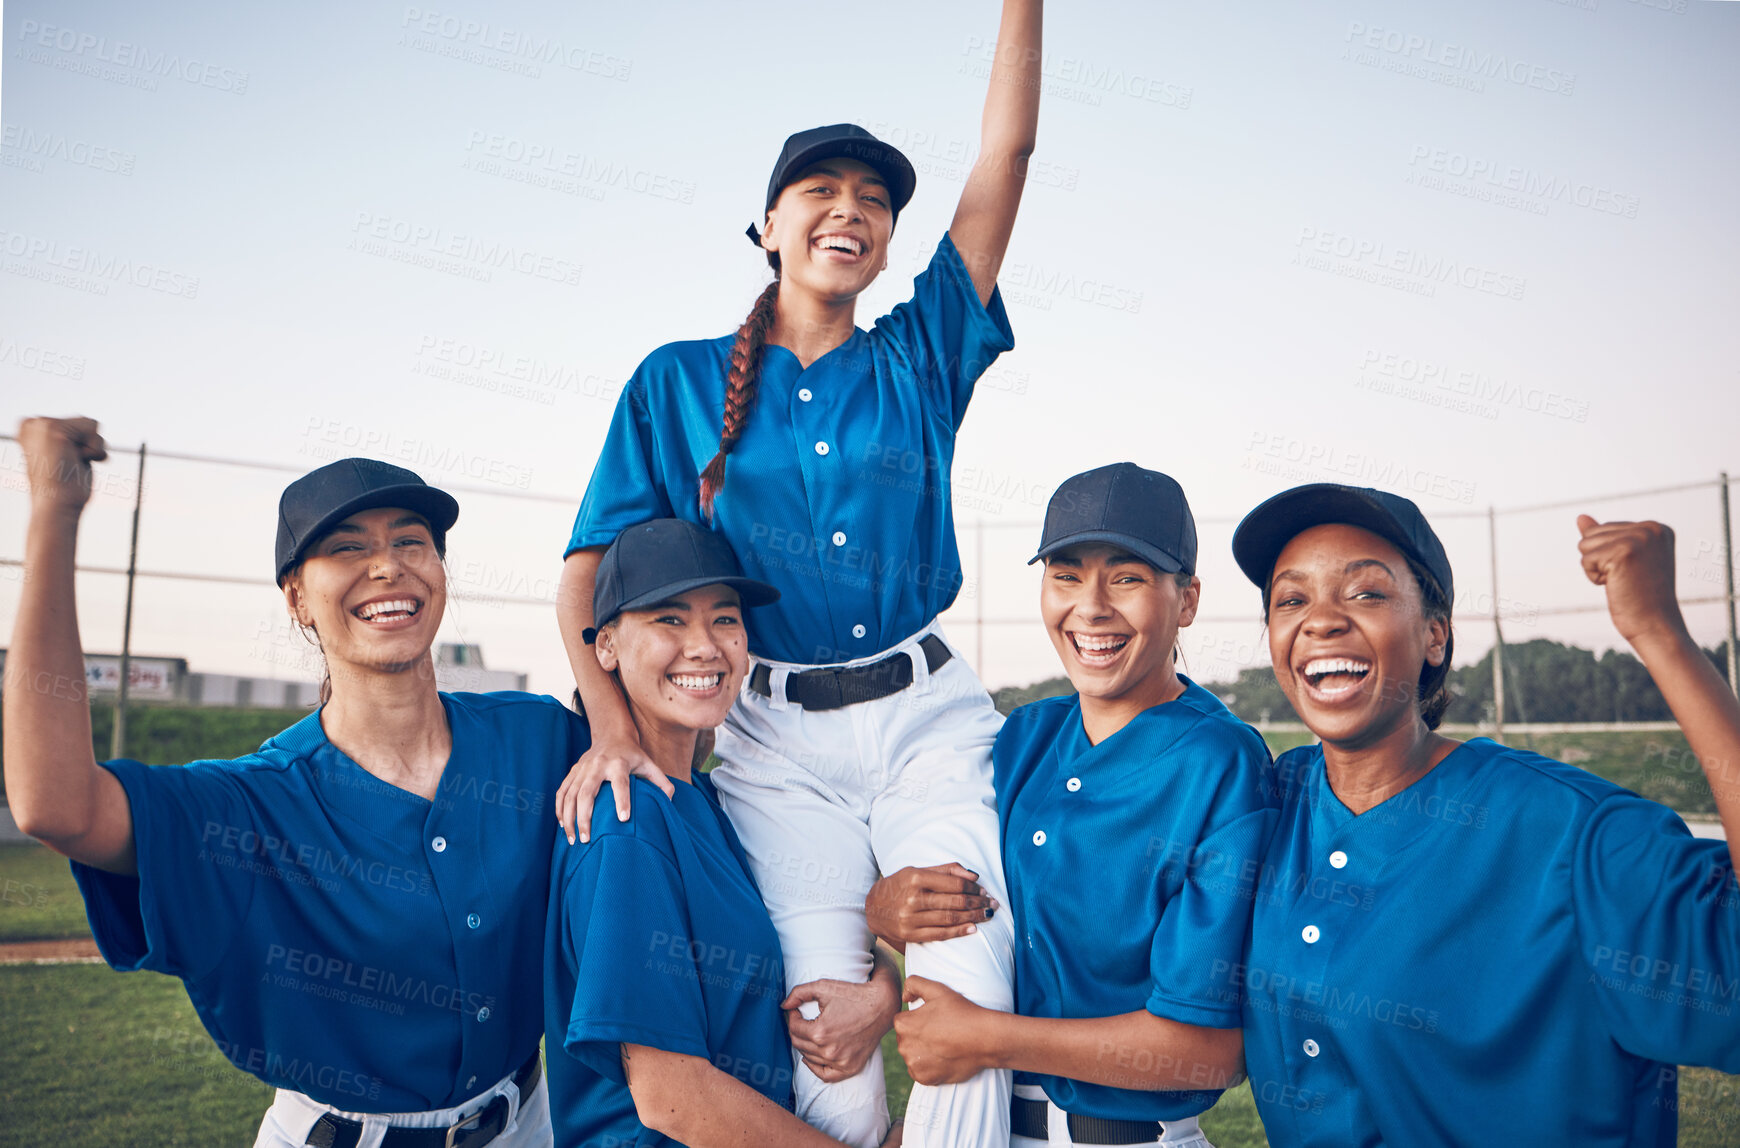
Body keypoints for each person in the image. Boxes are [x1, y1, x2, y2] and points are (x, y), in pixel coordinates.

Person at [553, 4, 1042, 1144]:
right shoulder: (674, 382)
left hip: (923, 714)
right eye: (821, 191)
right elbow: (585, 577)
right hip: (773, 743)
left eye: (874, 201)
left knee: (962, 988)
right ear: (767, 226)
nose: (852, 210)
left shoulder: (921, 353)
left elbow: (1006, 155)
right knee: (827, 1045)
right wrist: (611, 724)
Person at [3, 417, 587, 1148]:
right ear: (298, 600)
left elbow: (668, 749)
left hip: (530, 1126)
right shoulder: (252, 806)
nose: (387, 566)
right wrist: (54, 515)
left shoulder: (537, 738)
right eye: (347, 548)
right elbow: (55, 806)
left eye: (412, 540)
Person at [1226, 482, 1740, 1146]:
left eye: (1367, 593)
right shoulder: (1264, 806)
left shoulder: (1568, 831)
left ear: (1435, 636)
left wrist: (1660, 634)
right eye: (1291, 600)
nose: (1320, 619)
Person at [867, 464, 1278, 1148]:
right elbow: (975, 921)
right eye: (1065, 574)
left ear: (1188, 600)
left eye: (1127, 576)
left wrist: (989, 1040)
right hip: (992, 1126)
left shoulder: (1221, 763)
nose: (1090, 606)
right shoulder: (1023, 737)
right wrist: (882, 913)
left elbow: (1210, 1051)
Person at [544, 518, 903, 1148]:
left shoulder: (709, 800)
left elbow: (822, 925)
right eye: (670, 620)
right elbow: (671, 1096)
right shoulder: (625, 824)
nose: (705, 646)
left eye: (726, 619)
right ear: (605, 646)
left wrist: (883, 995)